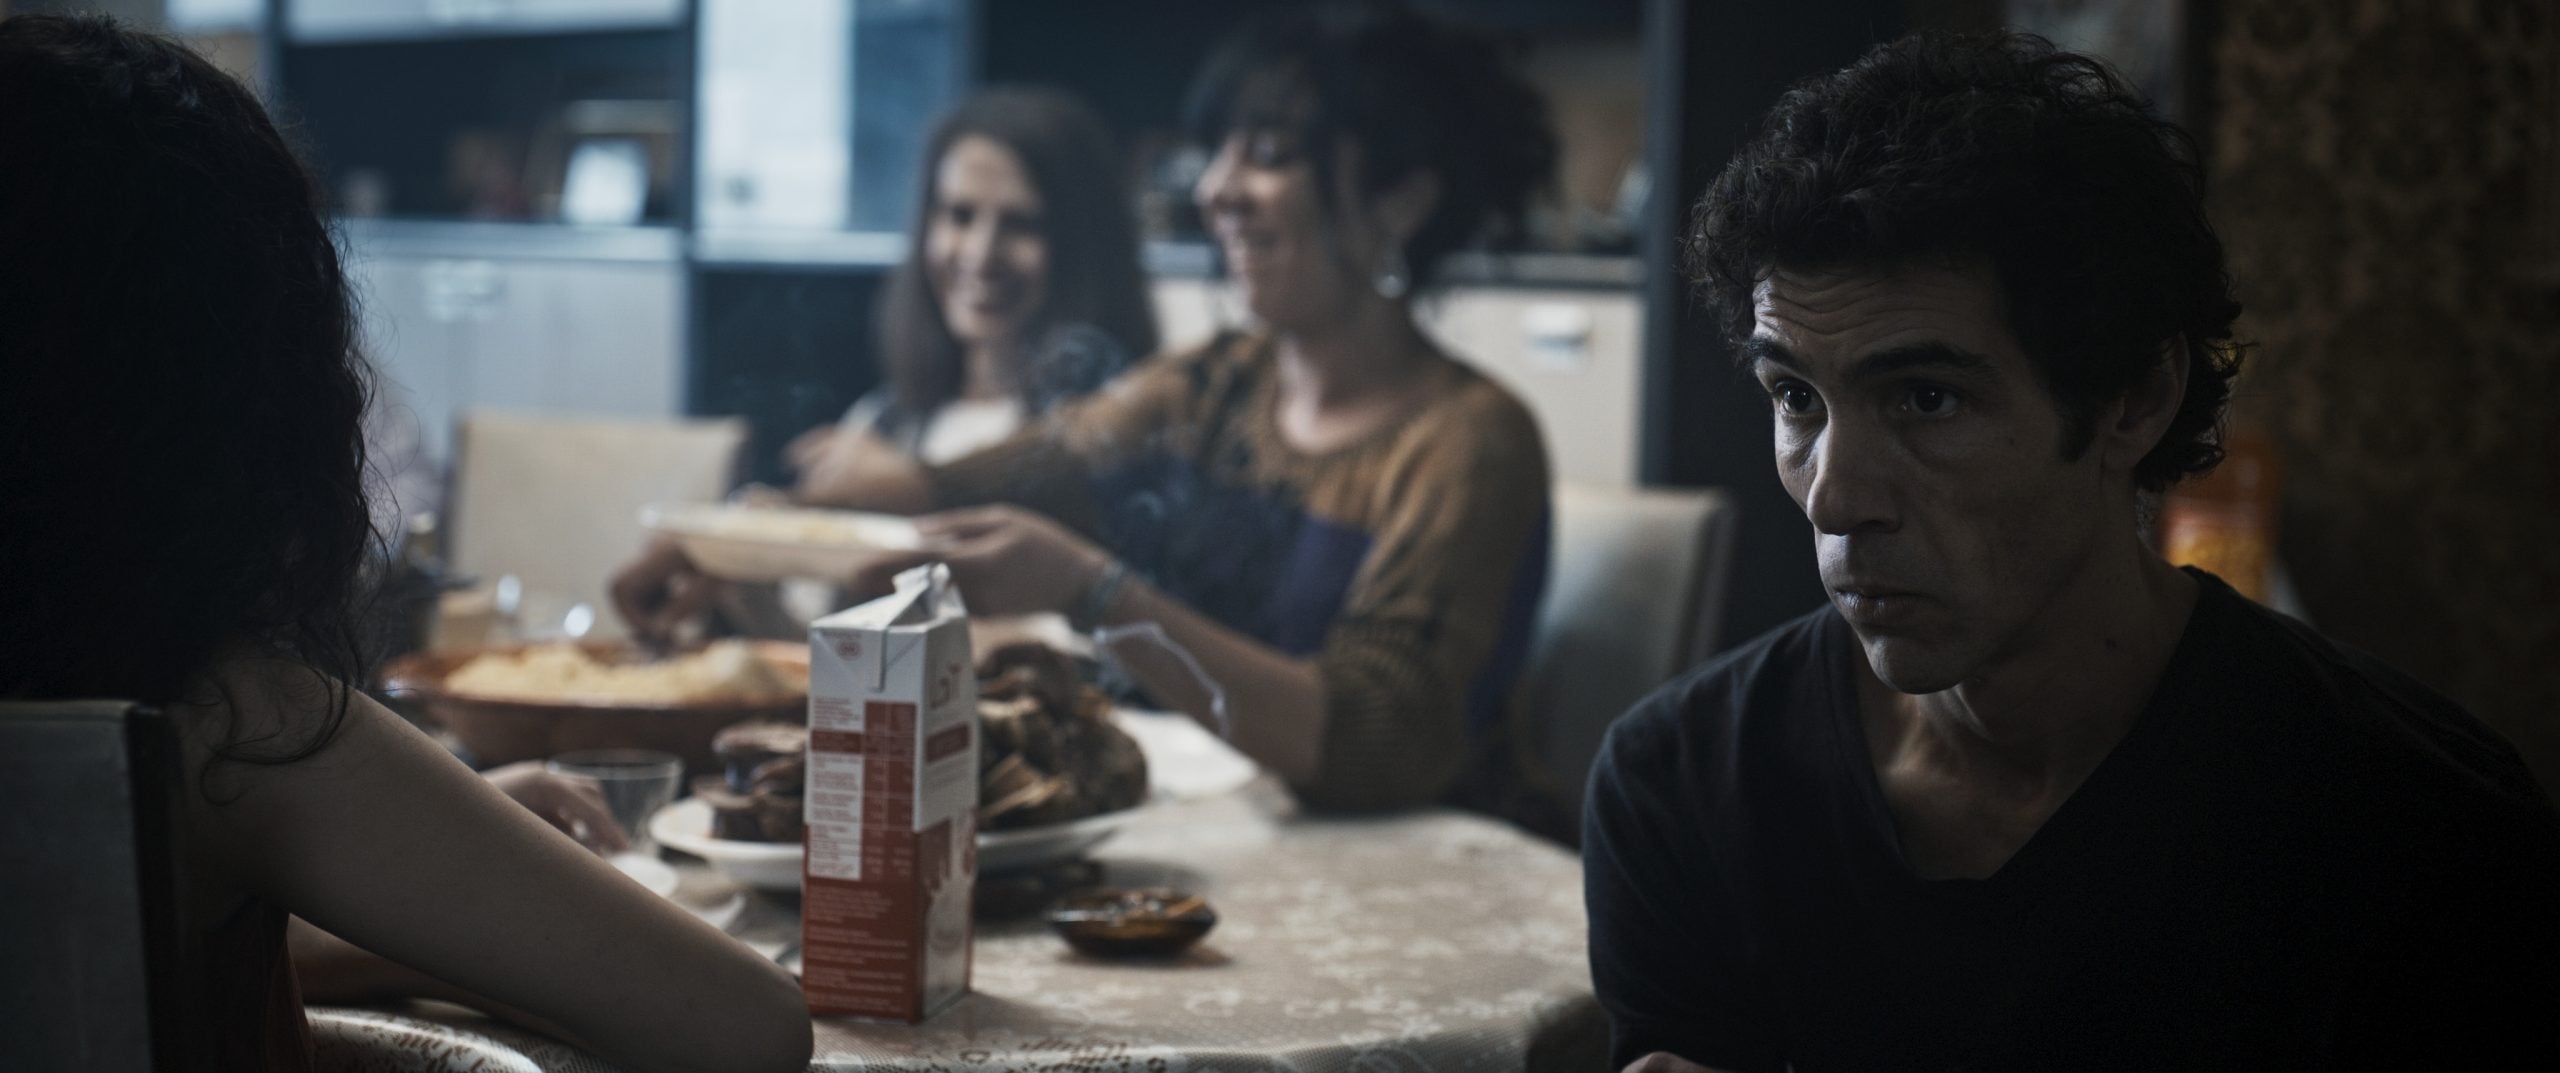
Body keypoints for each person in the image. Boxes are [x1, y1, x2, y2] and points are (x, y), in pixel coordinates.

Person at [1582, 31, 2560, 1073]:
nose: (1834, 493)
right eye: (1795, 397)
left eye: (1926, 397)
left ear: (2134, 398)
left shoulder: (2415, 828)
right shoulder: (1680, 785)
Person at [0, 16, 811, 1073]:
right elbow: (747, 1028)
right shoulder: (239, 728)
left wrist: (390, 898)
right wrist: (465, 908)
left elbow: (95, 946)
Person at [627, 1, 1562, 819]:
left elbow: (1374, 742)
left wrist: (1096, 591)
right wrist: (738, 542)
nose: (1215, 190)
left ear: (1401, 198)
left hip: (1422, 883)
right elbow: (1001, 478)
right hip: (1224, 843)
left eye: (1269, 156)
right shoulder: (1213, 386)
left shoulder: (1468, 441)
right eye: (1220, 151)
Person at [617, 86, 1157, 634]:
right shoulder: (887, 421)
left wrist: (910, 496)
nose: (980, 253)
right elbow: (832, 658)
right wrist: (748, 577)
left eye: (1022, 225)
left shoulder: (1115, 439)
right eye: (959, 215)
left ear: (1085, 246)